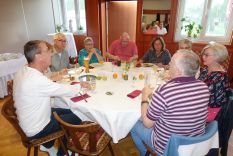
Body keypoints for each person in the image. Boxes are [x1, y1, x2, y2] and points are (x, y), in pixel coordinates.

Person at [13, 40, 90, 156]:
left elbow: (42, 86)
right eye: (48, 51)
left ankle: (48, 145)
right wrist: (81, 85)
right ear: (38, 56)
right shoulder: (35, 80)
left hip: (31, 120)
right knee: (78, 116)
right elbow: (64, 90)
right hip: (38, 128)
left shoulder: (24, 70)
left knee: (71, 110)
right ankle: (63, 153)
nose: (51, 53)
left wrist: (54, 78)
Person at [131, 49, 210, 156]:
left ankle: (146, 153)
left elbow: (147, 124)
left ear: (179, 70)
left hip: (168, 147)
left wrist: (144, 97)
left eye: (171, 63)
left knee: (133, 124)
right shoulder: (203, 87)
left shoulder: (165, 90)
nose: (168, 64)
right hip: (193, 144)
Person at [198, 42, 230, 122]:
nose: (203, 57)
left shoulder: (220, 77)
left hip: (211, 110)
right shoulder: (206, 70)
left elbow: (214, 102)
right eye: (203, 54)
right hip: (200, 104)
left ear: (217, 57)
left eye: (206, 55)